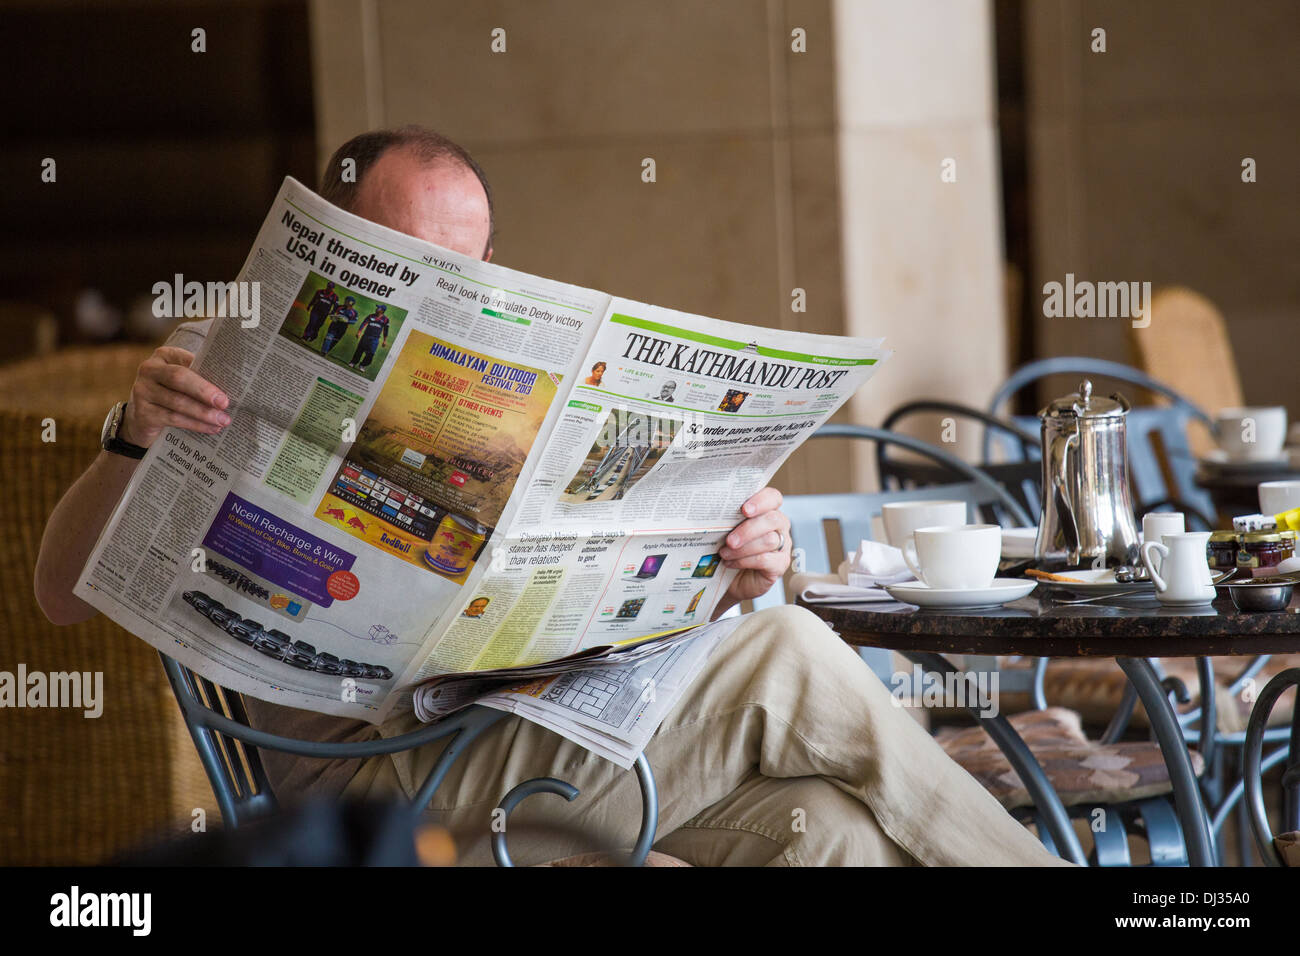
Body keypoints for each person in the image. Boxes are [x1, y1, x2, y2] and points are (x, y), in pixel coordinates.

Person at [35, 125, 1066, 867]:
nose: (437, 284)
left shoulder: (509, 392)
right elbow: (60, 596)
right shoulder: (210, 363)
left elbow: (584, 604)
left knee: (825, 828)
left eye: (459, 263)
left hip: (530, 734)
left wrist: (728, 565)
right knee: (787, 653)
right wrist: (132, 438)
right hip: (374, 777)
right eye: (402, 258)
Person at [349, 304, 390, 370]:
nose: (376, 309)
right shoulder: (370, 316)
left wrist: (384, 341)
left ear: (382, 311)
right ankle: (353, 362)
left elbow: (386, 330)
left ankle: (362, 365)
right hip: (365, 337)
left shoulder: (385, 319)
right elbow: (364, 323)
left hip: (375, 339)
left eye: (378, 308)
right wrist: (359, 332)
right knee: (359, 350)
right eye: (377, 308)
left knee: (371, 354)